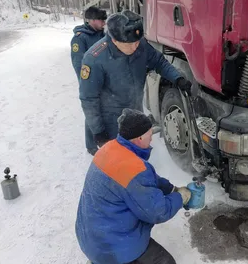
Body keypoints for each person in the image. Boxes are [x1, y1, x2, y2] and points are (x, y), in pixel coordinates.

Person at [75, 108, 192, 264]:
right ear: (139, 138)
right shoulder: (134, 170)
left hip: (90, 237)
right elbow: (158, 211)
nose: (151, 138)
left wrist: (170, 188)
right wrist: (180, 197)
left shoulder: (109, 149)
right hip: (112, 247)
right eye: (150, 134)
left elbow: (145, 181)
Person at [78, 10, 192, 148]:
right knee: (118, 160)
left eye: (137, 42)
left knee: (138, 153)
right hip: (112, 119)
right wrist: (98, 131)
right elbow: (88, 99)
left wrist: (177, 78)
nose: (135, 47)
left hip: (135, 110)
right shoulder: (95, 59)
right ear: (114, 39)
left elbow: (159, 61)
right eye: (130, 44)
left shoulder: (138, 44)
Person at [70, 6, 107, 155]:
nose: (104, 22)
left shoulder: (102, 34)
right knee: (92, 112)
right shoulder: (80, 38)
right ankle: (91, 145)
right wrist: (87, 84)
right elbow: (79, 64)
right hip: (90, 82)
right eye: (100, 20)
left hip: (105, 79)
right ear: (91, 20)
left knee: (105, 110)